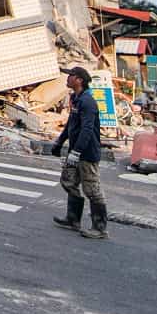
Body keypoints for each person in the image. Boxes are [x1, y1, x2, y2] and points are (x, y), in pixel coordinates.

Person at [51, 65, 108, 239]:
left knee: (92, 189)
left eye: (71, 76)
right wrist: (60, 142)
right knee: (68, 181)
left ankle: (100, 228)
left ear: (79, 80)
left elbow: (87, 129)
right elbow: (71, 124)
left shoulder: (88, 102)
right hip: (74, 150)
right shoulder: (76, 98)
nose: (67, 78)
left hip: (87, 153)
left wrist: (77, 152)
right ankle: (73, 219)